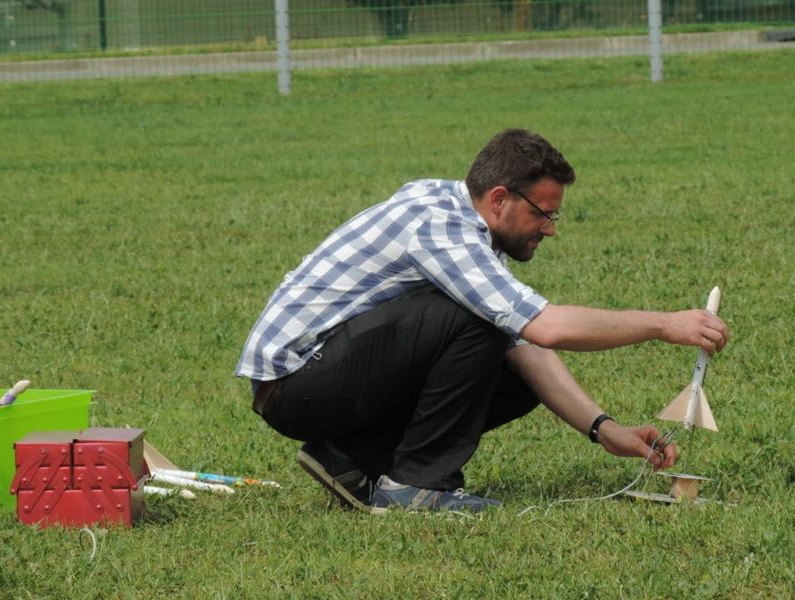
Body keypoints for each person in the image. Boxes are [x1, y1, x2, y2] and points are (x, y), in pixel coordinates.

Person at [235, 129, 729, 513]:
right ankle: (419, 487)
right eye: (543, 214)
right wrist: (665, 324)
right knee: (478, 322)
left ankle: (349, 456)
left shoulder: (460, 215)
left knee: (513, 370)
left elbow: (531, 347)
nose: (551, 229)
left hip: (323, 378)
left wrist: (606, 430)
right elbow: (546, 326)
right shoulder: (443, 230)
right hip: (295, 383)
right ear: (499, 199)